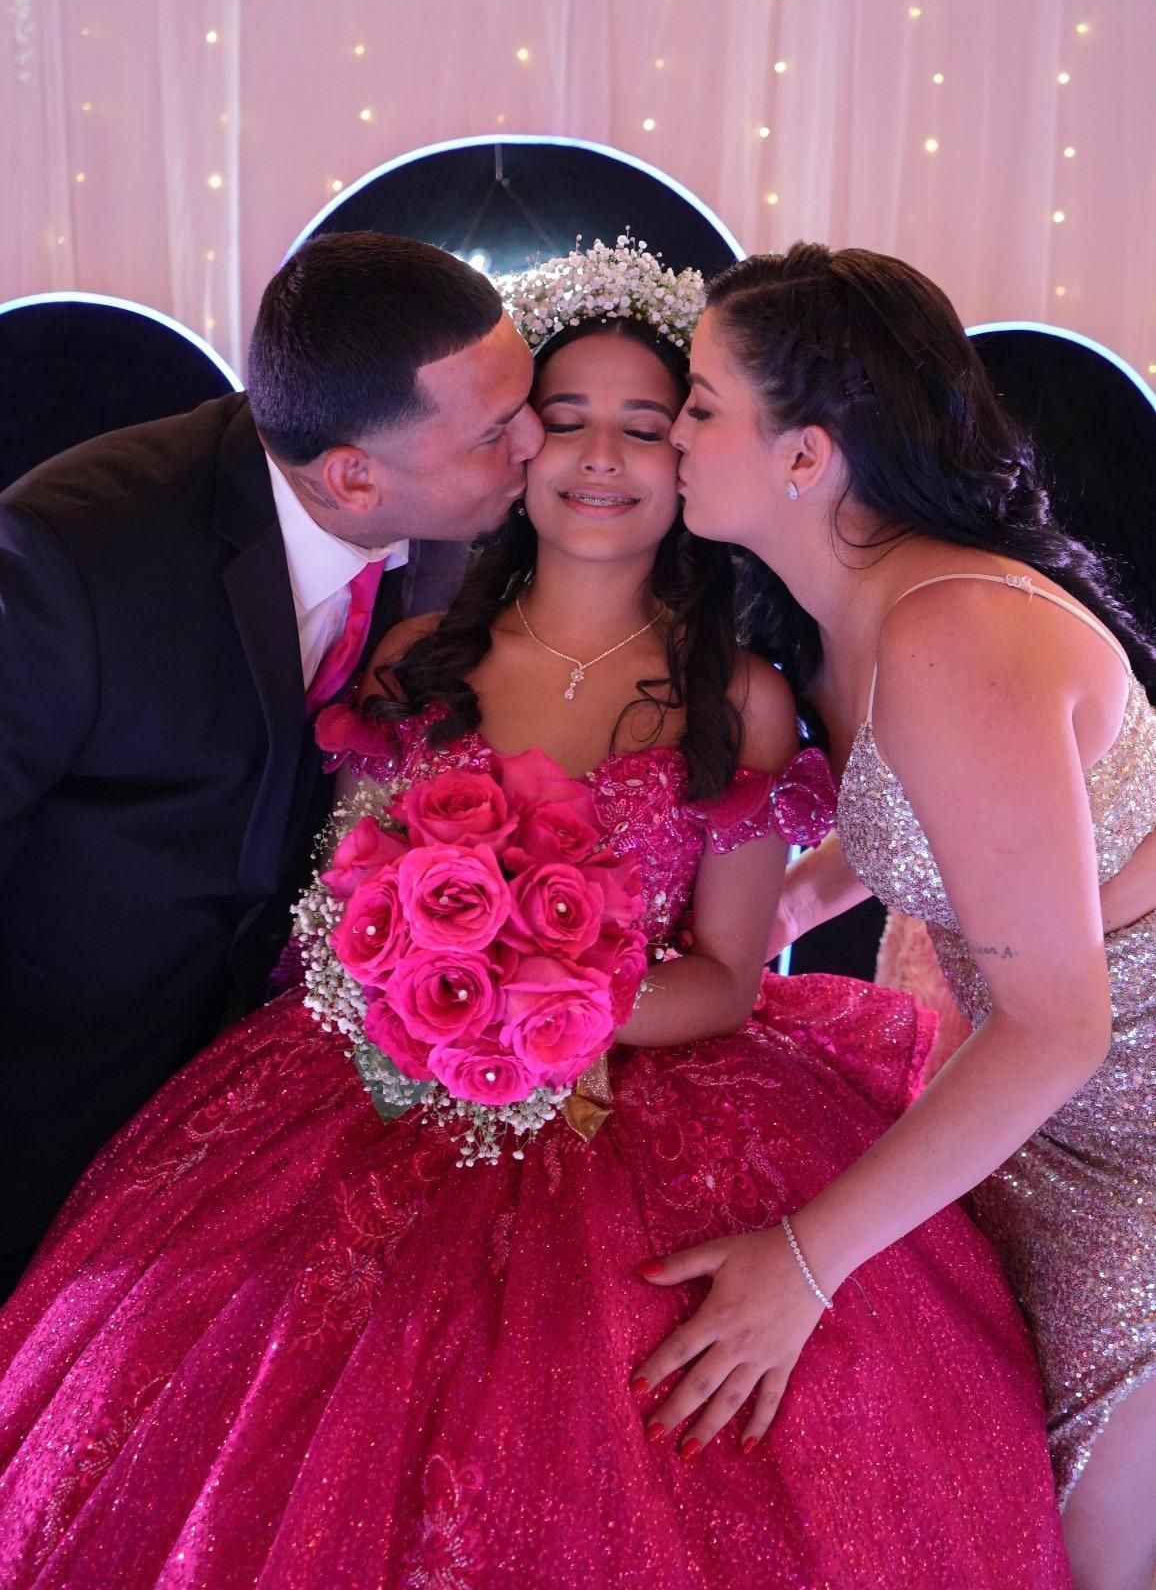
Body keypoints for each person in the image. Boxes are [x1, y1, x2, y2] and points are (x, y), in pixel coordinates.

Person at [0, 242, 1070, 1589]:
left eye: (649, 422)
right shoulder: (407, 654)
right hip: (366, 1094)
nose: (596, 458)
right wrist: (420, 989)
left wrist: (550, 1000)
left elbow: (731, 975)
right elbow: (328, 893)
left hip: (651, 1112)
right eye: (557, 422)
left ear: (694, 454)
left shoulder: (739, 696)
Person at [664, 241, 1156, 1590]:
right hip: (1047, 1115)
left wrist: (801, 1264)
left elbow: (1058, 1028)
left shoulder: (953, 630)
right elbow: (936, 839)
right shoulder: (843, 618)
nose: (671, 431)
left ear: (808, 454)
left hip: (1132, 1137)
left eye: (700, 403)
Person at [0, 231, 542, 1293]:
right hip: (44, 1099)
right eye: (493, 431)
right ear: (351, 474)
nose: (534, 442)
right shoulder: (76, 557)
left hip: (251, 1117)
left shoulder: (454, 530)